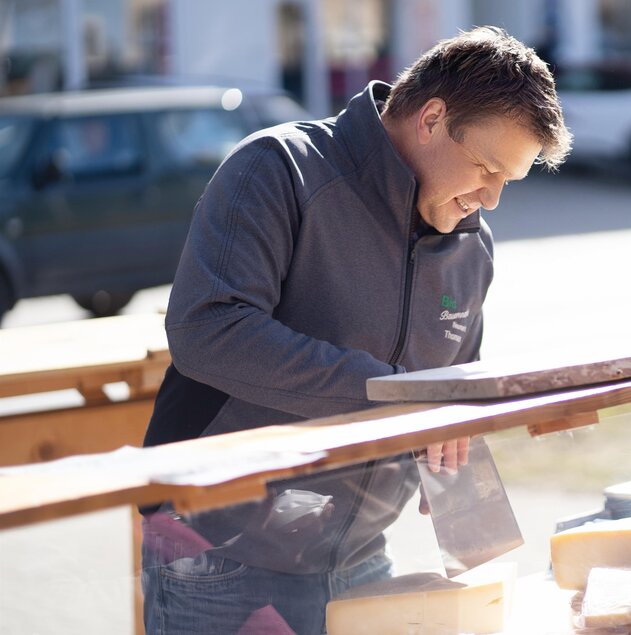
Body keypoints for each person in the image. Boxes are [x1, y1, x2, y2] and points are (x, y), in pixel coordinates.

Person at [139, 26, 571, 635]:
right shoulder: (280, 169)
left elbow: (448, 391)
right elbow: (208, 330)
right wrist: (395, 397)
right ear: (432, 119)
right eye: (485, 167)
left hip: (358, 558)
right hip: (221, 554)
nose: (493, 199)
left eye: (510, 181)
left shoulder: (472, 244)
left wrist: (455, 467)